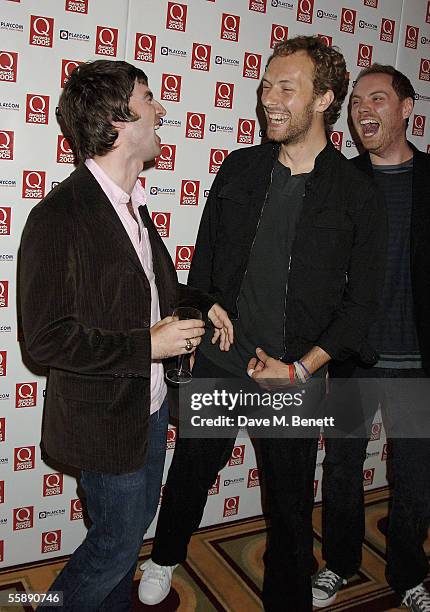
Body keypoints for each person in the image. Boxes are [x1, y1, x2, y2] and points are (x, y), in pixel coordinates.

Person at [138, 36, 386, 611]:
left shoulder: (356, 194)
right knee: (192, 471)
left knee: (291, 507)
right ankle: (165, 557)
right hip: (222, 363)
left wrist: (301, 368)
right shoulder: (240, 168)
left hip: (292, 377)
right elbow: (204, 265)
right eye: (265, 85)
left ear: (324, 98)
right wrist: (206, 307)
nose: (267, 99)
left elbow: (360, 307)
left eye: (285, 88)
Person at [19, 59, 232, 612]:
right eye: (148, 97)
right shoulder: (59, 217)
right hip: (103, 423)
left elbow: (157, 296)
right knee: (114, 547)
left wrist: (206, 306)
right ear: (117, 118)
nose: (161, 108)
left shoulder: (132, 209)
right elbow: (44, 341)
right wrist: (148, 346)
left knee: (127, 538)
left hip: (151, 407)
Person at [312, 64, 430, 612]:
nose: (363, 110)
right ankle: (339, 563)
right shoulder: (341, 181)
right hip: (355, 356)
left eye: (378, 99)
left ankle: (409, 573)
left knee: (413, 479)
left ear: (408, 109)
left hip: (419, 364)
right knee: (340, 468)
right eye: (357, 101)